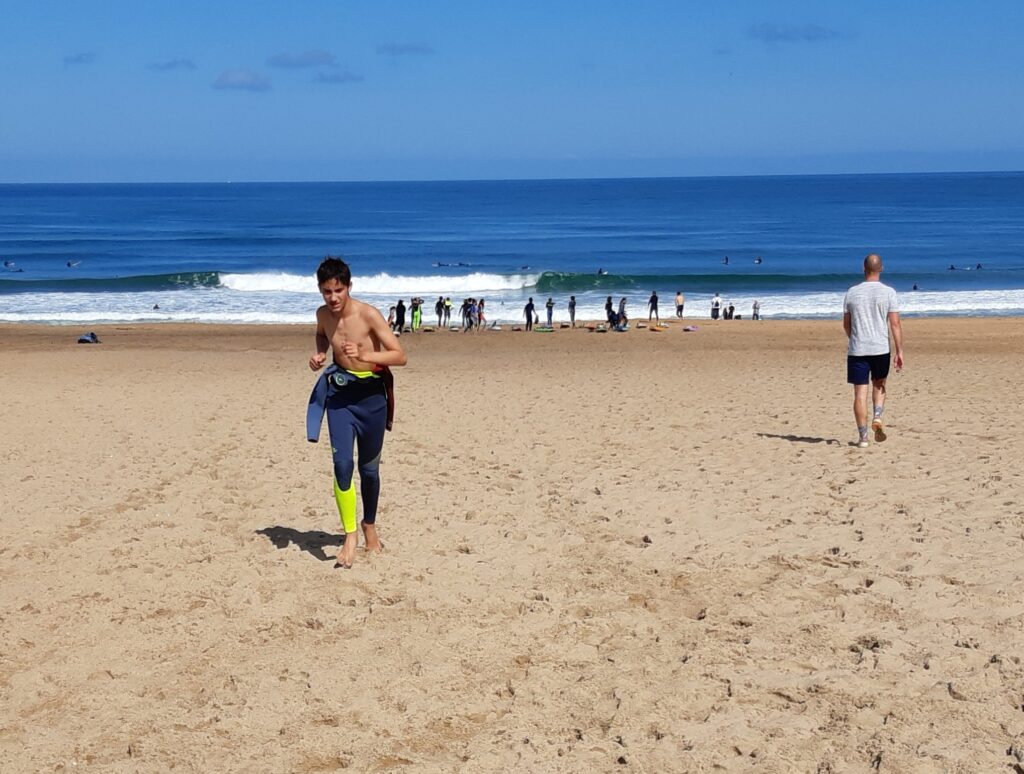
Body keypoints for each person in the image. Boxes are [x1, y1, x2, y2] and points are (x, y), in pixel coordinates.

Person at [307, 257, 407, 568]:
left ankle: (369, 525)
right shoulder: (323, 314)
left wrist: (365, 354)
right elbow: (323, 333)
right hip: (340, 397)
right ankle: (350, 534)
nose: (333, 298)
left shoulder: (369, 315)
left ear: (349, 287)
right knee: (341, 464)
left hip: (371, 399)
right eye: (326, 291)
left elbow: (400, 356)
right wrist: (321, 352)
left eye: (338, 290)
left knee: (369, 471)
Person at [843, 253, 904, 449]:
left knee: (860, 393)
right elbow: (895, 324)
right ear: (881, 269)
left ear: (863, 269)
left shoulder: (852, 292)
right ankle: (877, 415)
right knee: (879, 385)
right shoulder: (888, 292)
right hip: (880, 348)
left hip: (858, 349)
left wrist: (855, 337)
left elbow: (846, 324)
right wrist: (899, 350)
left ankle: (863, 438)